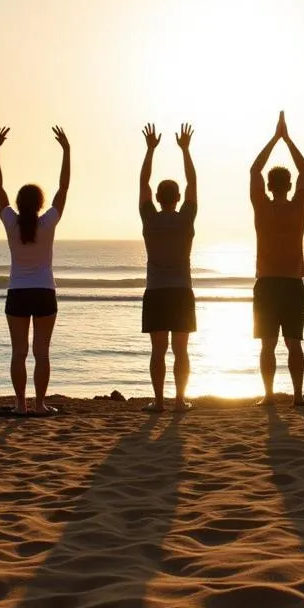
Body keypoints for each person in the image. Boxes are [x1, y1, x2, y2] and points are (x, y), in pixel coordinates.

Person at [0, 125, 70, 416]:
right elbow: (63, 189)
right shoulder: (48, 222)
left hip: (18, 293)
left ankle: (20, 405)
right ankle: (39, 405)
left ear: (17, 203)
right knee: (41, 354)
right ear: (39, 203)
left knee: (19, 353)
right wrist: (66, 151)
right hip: (44, 292)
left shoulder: (11, 222)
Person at [250, 111, 304, 406]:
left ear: (270, 186)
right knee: (293, 344)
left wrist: (275, 139)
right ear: (288, 186)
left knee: (268, 344)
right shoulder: (298, 206)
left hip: (267, 284)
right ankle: (297, 396)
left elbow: (254, 171)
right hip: (290, 284)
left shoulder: (262, 206)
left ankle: (269, 395)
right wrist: (287, 140)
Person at [139, 122, 197, 412]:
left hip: (157, 292)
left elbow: (142, 184)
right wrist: (186, 151)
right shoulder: (186, 219)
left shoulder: (149, 219)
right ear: (176, 198)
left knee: (158, 350)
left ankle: (160, 401)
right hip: (181, 291)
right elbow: (193, 185)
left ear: (159, 199)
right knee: (181, 351)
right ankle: (178, 400)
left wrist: (150, 151)